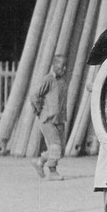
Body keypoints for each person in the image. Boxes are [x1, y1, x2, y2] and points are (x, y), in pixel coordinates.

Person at [29, 51, 69, 181]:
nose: (64, 69)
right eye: (61, 66)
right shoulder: (48, 80)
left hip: (60, 119)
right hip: (48, 120)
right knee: (55, 145)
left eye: (65, 66)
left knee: (60, 149)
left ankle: (40, 162)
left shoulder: (62, 81)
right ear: (54, 66)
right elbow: (34, 95)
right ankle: (52, 171)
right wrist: (39, 110)